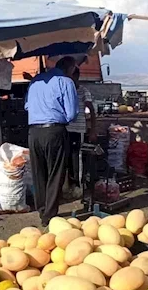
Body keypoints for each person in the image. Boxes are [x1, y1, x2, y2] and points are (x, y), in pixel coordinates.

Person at [26, 56, 79, 226]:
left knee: (39, 172)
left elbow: (27, 106)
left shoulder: (35, 81)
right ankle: (49, 215)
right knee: (56, 172)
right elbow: (71, 114)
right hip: (54, 130)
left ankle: (42, 209)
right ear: (70, 69)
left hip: (34, 131)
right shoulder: (66, 82)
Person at [65, 68, 97, 193]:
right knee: (66, 158)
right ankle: (68, 184)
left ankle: (78, 186)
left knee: (76, 158)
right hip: (64, 129)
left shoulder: (83, 91)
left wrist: (93, 129)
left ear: (77, 77)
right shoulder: (65, 90)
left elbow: (92, 111)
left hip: (78, 130)